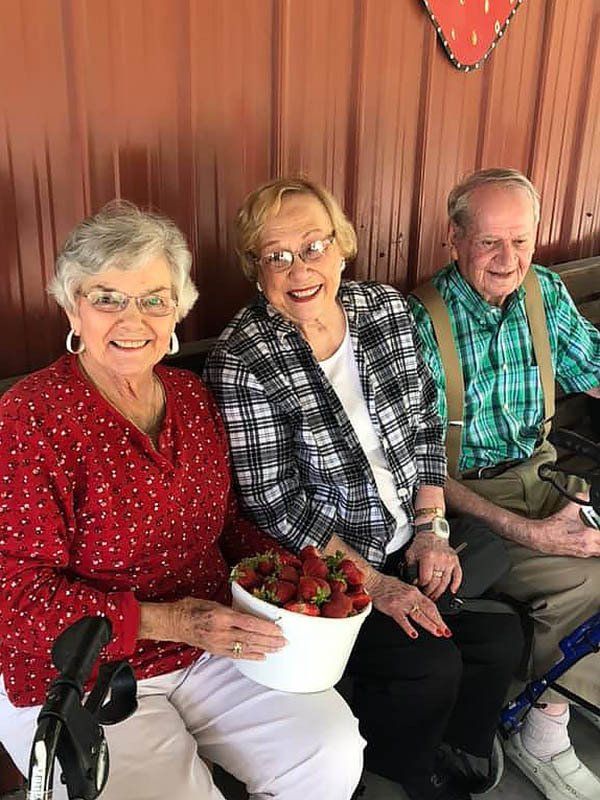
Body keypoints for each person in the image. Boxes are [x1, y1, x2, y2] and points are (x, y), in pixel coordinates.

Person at [0, 201, 364, 800]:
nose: (133, 318)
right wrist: (174, 621)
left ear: (178, 310)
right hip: (77, 668)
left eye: (153, 298)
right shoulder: (31, 419)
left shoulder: (190, 399)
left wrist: (301, 575)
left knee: (328, 752)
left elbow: (223, 524)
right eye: (107, 298)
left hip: (207, 641)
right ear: (71, 307)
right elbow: (17, 598)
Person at [204, 177, 523, 800]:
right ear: (256, 268)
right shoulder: (244, 357)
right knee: (431, 662)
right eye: (277, 256)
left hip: (410, 534)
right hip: (331, 563)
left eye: (314, 245)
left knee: (501, 632)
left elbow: (428, 427)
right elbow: (275, 504)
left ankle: (455, 749)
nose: (300, 269)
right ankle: (402, 778)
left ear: (342, 247)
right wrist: (377, 585)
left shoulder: (386, 311)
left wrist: (432, 530)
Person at [408, 168, 600, 800]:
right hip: (465, 497)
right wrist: (532, 532)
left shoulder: (542, 290)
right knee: (581, 580)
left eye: (520, 241)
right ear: (454, 238)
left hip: (551, 469)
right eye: (491, 242)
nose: (508, 259)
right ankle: (539, 727)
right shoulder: (417, 320)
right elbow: (417, 462)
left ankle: (570, 688)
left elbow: (592, 370)